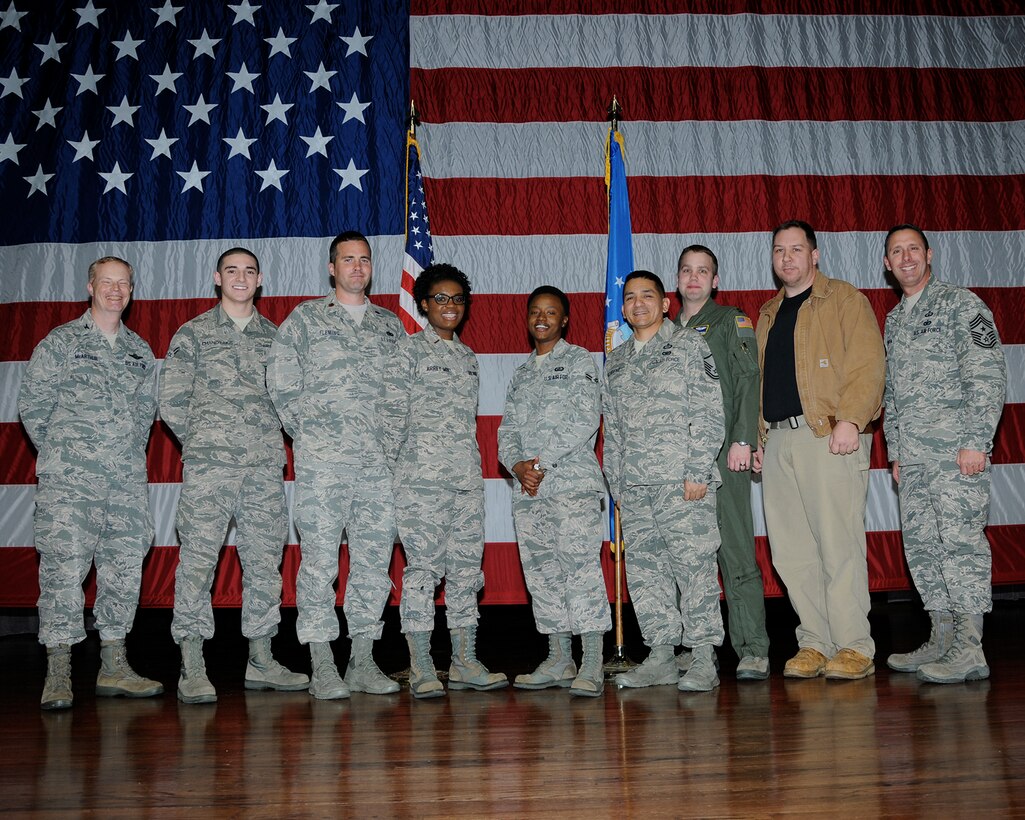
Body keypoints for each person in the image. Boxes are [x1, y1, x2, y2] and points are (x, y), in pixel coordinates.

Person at [160, 248, 309, 704]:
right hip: (210, 470)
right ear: (217, 278)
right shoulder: (194, 334)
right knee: (198, 563)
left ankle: (261, 660)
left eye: (248, 271)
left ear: (259, 280)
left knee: (264, 564)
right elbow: (171, 401)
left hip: (264, 468)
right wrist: (209, 443)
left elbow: (290, 399)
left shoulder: (278, 337)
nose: (240, 278)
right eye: (231, 271)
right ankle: (192, 664)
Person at [19, 256, 163, 710]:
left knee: (124, 569)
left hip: (124, 482)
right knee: (64, 570)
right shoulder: (60, 343)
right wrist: (70, 458)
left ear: (132, 290)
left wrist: (118, 459)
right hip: (70, 483)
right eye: (107, 282)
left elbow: (145, 418)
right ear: (90, 286)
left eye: (123, 283)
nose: (115, 290)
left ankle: (114, 665)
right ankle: (59, 669)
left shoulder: (140, 351)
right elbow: (34, 409)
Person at [266, 231, 402, 699]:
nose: (357, 267)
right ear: (331, 267)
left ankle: (362, 661)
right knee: (320, 564)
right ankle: (323, 662)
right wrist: (314, 434)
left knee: (372, 565)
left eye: (364, 260)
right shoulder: (305, 319)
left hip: (378, 468)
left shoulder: (389, 325)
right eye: (348, 259)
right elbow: (282, 384)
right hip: (324, 465)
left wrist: (393, 445)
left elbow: (404, 394)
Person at [753, 220, 885, 681]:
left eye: (796, 249)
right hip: (779, 440)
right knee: (791, 552)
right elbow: (762, 382)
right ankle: (815, 640)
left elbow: (869, 363)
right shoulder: (768, 312)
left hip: (827, 435)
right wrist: (759, 437)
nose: (786, 257)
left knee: (837, 544)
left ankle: (853, 644)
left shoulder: (844, 299)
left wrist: (850, 419)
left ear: (815, 255)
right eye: (778, 250)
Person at [881, 224, 1006, 683]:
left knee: (961, 547)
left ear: (929, 255)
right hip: (913, 460)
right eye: (897, 251)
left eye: (913, 248)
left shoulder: (961, 304)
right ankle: (942, 637)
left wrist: (977, 440)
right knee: (923, 549)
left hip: (956, 455)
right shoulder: (895, 320)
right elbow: (891, 393)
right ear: (887, 264)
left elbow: (987, 374)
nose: (906, 257)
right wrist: (896, 451)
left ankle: (970, 648)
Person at [386, 263, 507, 698]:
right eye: (441, 298)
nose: (450, 306)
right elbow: (390, 422)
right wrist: (394, 480)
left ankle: (464, 662)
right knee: (423, 572)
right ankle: (422, 665)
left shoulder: (467, 357)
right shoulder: (407, 353)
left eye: (458, 299)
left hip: (465, 483)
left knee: (465, 573)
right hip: (421, 482)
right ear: (423, 304)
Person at [602, 271, 725, 692]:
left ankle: (704, 656)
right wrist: (617, 487)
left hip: (681, 483)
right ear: (623, 308)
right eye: (631, 297)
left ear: (665, 303)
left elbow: (709, 412)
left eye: (648, 296)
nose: (639, 304)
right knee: (646, 574)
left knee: (694, 568)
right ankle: (660, 655)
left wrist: (697, 472)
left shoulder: (688, 345)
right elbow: (612, 431)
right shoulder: (616, 361)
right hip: (635, 488)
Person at [498, 286, 611, 697]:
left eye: (551, 312)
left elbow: (584, 419)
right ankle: (559, 658)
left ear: (564, 320)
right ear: (527, 318)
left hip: (569, 488)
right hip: (530, 492)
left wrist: (538, 464)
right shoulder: (522, 372)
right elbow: (507, 429)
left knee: (580, 571)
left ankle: (592, 662)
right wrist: (516, 466)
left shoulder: (578, 360)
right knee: (542, 574)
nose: (542, 318)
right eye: (535, 311)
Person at [676, 245, 770, 680]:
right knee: (686, 558)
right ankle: (698, 648)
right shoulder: (664, 330)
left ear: (715, 281)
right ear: (677, 279)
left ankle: (752, 648)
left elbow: (749, 377)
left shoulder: (731, 320)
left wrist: (743, 439)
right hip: (676, 462)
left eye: (703, 271)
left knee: (734, 551)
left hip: (722, 455)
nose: (694, 278)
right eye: (687, 270)